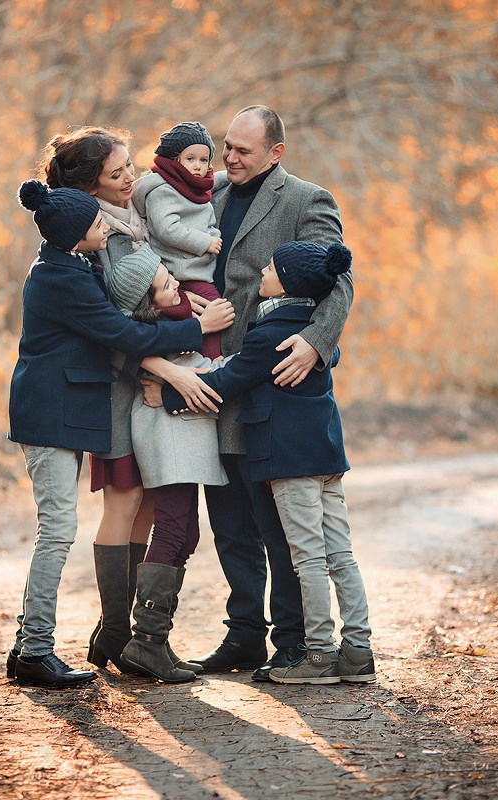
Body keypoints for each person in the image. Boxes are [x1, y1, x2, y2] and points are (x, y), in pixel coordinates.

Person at [147, 105, 355, 681]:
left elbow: (338, 280)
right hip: (208, 371)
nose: (228, 158)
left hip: (271, 382)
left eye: (242, 150)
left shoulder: (306, 200)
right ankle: (244, 636)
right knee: (230, 522)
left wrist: (315, 341)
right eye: (226, 147)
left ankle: (292, 641)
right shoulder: (200, 192)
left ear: (276, 153)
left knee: (279, 524)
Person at [5, 180, 234, 688]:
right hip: (50, 415)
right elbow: (123, 334)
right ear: (73, 236)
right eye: (95, 223)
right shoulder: (60, 279)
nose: (106, 225)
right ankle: (35, 649)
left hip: (65, 413)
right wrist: (197, 330)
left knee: (59, 529)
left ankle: (43, 644)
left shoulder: (70, 264)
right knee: (57, 530)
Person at [160, 241, 374, 684]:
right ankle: (358, 650)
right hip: (327, 456)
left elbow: (226, 383)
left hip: (287, 462)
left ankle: (317, 655)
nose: (263, 268)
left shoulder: (267, 334)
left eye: (272, 266)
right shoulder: (314, 335)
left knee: (308, 559)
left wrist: (165, 394)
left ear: (289, 282)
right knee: (340, 554)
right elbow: (320, 355)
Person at [40, 126, 170, 675]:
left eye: (129, 168)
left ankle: (123, 631)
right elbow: (118, 324)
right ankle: (115, 629)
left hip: (148, 385)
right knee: (125, 499)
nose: (130, 179)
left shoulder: (130, 219)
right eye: (118, 175)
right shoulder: (98, 240)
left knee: (151, 501)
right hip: (119, 386)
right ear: (91, 189)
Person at [102, 244, 227, 682]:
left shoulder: (171, 320)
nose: (176, 283)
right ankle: (145, 641)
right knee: (174, 526)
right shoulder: (156, 330)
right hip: (164, 429)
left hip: (181, 433)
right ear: (147, 300)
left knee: (187, 531)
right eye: (166, 284)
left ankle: (156, 639)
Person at [132, 121, 225, 358]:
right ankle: (213, 360)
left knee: (197, 315)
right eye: (190, 159)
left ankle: (194, 359)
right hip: (181, 269)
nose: (198, 166)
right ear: (175, 160)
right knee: (213, 309)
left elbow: (207, 223)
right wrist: (204, 242)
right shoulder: (163, 190)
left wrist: (212, 236)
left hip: (196, 267)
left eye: (203, 160)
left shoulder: (194, 188)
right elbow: (167, 228)